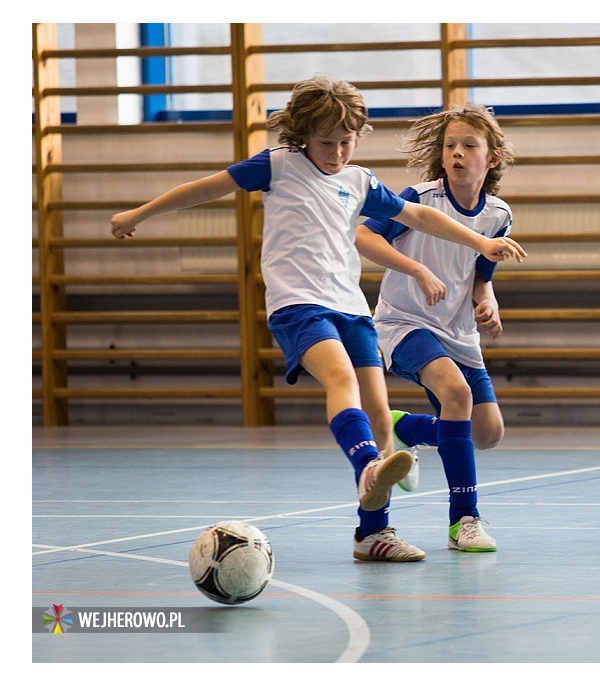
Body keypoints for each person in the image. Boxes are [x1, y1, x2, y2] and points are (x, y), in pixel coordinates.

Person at [110, 76, 526, 562]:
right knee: (341, 381)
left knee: (378, 411)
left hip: (350, 306)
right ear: (303, 136)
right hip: (298, 305)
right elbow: (205, 188)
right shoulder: (279, 166)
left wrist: (480, 244)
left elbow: (417, 217)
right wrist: (138, 213)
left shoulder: (358, 180)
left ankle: (373, 533)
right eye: (327, 142)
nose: (337, 152)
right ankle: (369, 463)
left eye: (347, 141)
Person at [356, 103, 513, 553]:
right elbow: (364, 235)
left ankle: (405, 429)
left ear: (492, 159)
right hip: (403, 322)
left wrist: (488, 302)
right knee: (457, 396)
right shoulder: (419, 198)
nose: (457, 154)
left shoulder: (498, 215)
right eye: (450, 146)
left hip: (459, 332)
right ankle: (464, 521)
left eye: (469, 146)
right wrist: (418, 270)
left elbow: (481, 274)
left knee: (487, 434)